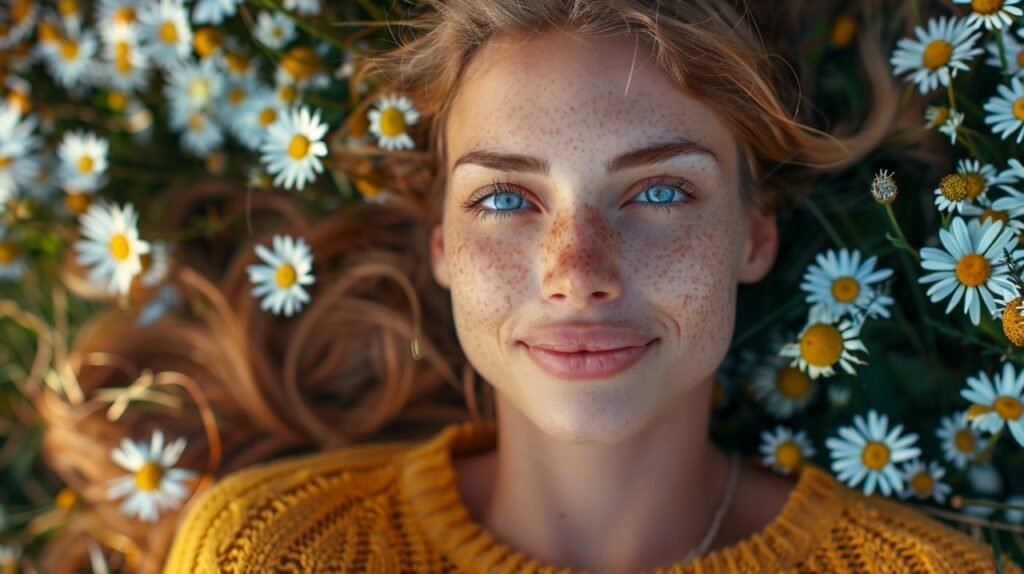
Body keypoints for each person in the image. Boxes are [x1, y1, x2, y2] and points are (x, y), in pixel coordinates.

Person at [160, 1, 1021, 572]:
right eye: (504, 198)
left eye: (659, 192)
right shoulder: (273, 553)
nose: (578, 273)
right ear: (443, 248)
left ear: (753, 236)